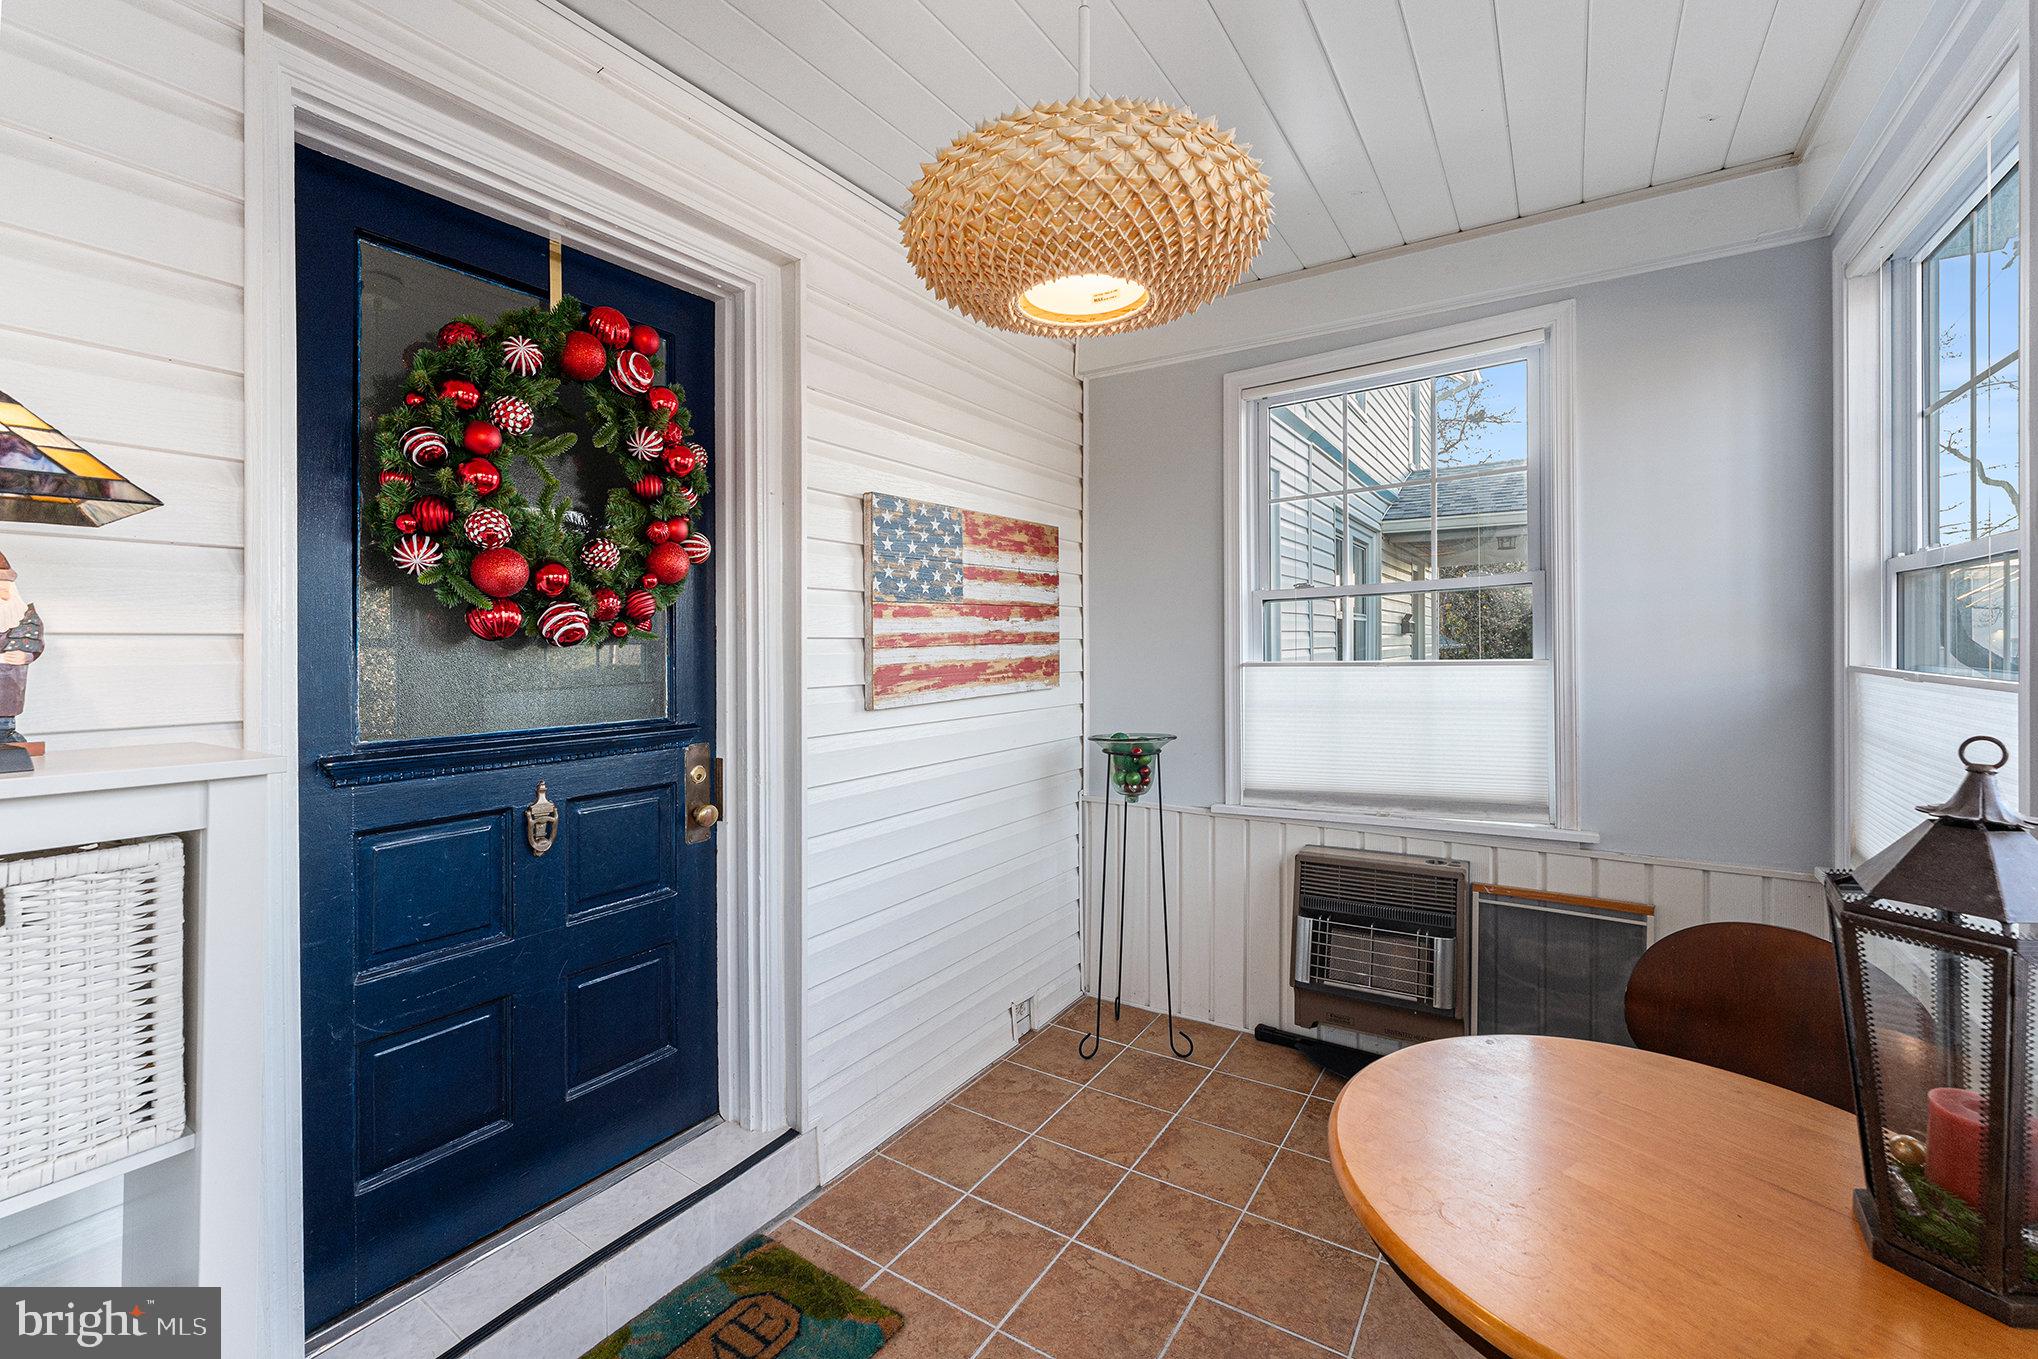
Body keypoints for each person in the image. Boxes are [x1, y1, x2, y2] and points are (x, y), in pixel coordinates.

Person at [0, 550, 44, 746]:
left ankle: (6, 733)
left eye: (4, 589)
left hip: (9, 683)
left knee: (5, 717)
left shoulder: (25, 618)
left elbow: (35, 643)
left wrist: (27, 656)